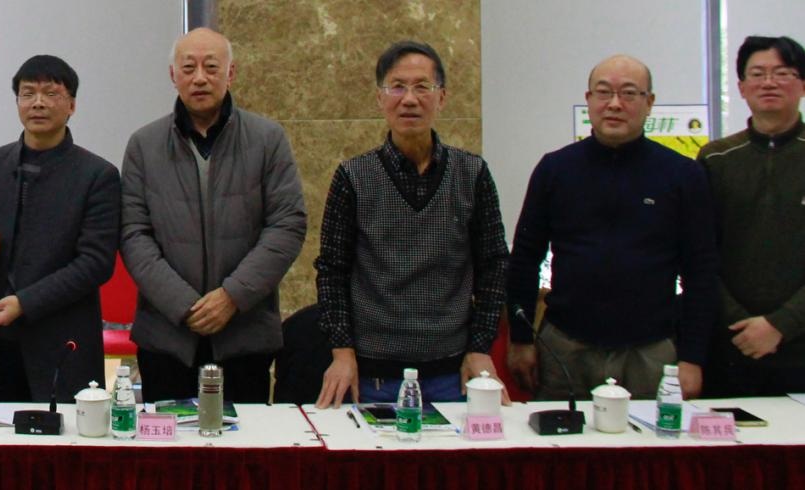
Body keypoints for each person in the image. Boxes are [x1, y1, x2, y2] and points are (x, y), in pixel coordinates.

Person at [507, 55, 718, 400]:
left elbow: (701, 271)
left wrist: (693, 357)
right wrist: (520, 339)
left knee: (650, 436)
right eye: (604, 92)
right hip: (565, 347)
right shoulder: (555, 169)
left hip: (651, 350)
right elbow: (524, 260)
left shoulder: (683, 175)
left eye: (629, 93)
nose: (615, 104)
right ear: (589, 99)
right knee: (561, 435)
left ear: (649, 103)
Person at [314, 42, 509, 408]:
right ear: (380, 98)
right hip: (373, 372)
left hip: (454, 371)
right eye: (397, 87)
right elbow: (332, 270)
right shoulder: (353, 176)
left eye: (422, 87)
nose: (409, 99)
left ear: (442, 97)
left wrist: (481, 347)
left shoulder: (472, 173)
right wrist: (342, 351)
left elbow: (494, 264)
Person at [121, 28, 307, 404]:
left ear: (231, 73)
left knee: (245, 439)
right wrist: (183, 305)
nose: (200, 78)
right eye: (188, 68)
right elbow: (133, 233)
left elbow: (287, 225)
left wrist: (231, 296)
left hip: (244, 334)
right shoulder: (144, 145)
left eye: (211, 67)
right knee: (169, 439)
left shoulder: (267, 139)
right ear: (173, 75)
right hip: (167, 338)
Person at [0, 55, 119, 402]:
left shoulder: (98, 175)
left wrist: (25, 302)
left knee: (64, 433)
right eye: (28, 93)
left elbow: (95, 263)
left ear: (72, 105)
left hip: (62, 338)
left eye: (51, 93)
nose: (38, 103)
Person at [698, 35, 805, 397]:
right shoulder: (716, 159)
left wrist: (782, 324)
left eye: (783, 73)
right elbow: (699, 254)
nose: (769, 82)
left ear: (803, 85)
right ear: (742, 87)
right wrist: (740, 323)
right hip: (731, 344)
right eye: (757, 74)